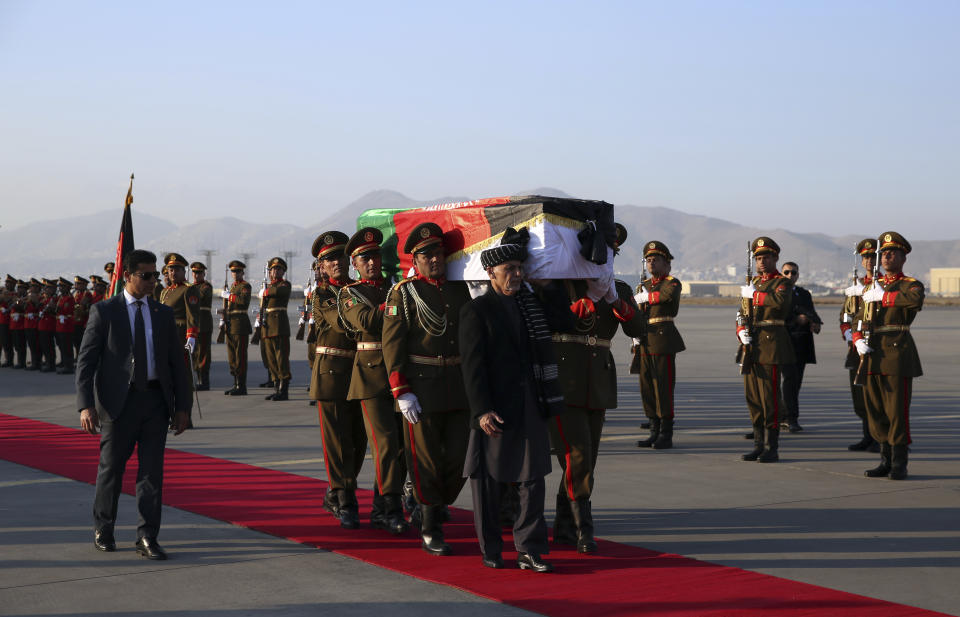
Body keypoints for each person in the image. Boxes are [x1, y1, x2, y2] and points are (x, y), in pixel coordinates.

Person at [460, 227, 575, 572]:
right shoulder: (477, 310)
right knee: (489, 482)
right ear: (491, 272)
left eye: (519, 268)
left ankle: (529, 549)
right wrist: (481, 410)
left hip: (531, 402)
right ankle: (491, 547)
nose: (517, 274)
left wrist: (546, 285)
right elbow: (473, 366)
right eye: (509, 268)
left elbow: (565, 320)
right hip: (494, 407)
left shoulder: (531, 305)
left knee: (532, 480)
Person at [76, 249, 192, 560]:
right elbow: (85, 364)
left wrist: (183, 408)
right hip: (118, 405)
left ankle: (147, 536)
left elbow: (176, 366)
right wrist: (85, 406)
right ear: (128, 276)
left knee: (152, 473)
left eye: (156, 275)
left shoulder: (162, 313)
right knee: (111, 470)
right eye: (146, 275)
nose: (154, 281)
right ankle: (104, 527)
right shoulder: (105, 311)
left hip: (155, 402)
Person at [549, 224, 644, 553]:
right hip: (567, 380)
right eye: (601, 253)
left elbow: (639, 327)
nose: (606, 259)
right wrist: (575, 306)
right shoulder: (564, 285)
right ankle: (582, 529)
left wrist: (616, 301)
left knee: (586, 458)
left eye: (611, 254)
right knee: (577, 456)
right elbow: (546, 321)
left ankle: (563, 527)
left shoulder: (617, 288)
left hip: (598, 383)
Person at [382, 222, 472, 556]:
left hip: (457, 387)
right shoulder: (403, 294)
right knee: (427, 462)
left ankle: (430, 504)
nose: (435, 259)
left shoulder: (459, 290)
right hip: (422, 388)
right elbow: (392, 344)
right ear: (415, 260)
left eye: (438, 253)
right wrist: (400, 389)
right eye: (426, 255)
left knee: (461, 458)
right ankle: (431, 528)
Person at [340, 227, 409, 535]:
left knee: (403, 445)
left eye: (376, 256)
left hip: (400, 371)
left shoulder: (393, 287)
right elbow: (366, 321)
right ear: (355, 263)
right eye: (365, 258)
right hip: (370, 376)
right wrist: (397, 300)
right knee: (385, 443)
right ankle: (391, 506)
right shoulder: (349, 293)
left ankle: (382, 505)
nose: (372, 262)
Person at [852, 231, 923, 480]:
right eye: (884, 253)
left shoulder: (910, 284)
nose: (886, 256)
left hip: (896, 353)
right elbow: (859, 319)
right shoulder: (872, 286)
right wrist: (857, 339)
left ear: (903, 257)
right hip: (871, 354)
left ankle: (899, 463)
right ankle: (885, 459)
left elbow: (915, 300)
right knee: (875, 410)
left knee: (896, 411)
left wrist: (885, 297)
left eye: (892, 252)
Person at [307, 231, 367, 528]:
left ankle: (336, 490)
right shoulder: (322, 295)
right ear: (321, 266)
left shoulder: (360, 289)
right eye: (329, 259)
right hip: (332, 373)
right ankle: (345, 497)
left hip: (360, 374)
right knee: (338, 441)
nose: (336, 262)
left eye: (341, 256)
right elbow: (343, 323)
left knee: (358, 439)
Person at [736, 236, 795, 463]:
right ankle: (759, 444)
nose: (761, 261)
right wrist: (740, 330)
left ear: (775, 258)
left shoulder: (782, 282)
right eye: (758, 258)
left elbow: (780, 302)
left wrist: (755, 296)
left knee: (769, 397)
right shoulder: (755, 284)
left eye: (766, 257)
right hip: (751, 343)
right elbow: (742, 312)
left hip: (771, 343)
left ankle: (772, 446)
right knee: (753, 396)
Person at [631, 239, 686, 450]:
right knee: (646, 387)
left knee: (663, 386)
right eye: (648, 260)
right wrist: (634, 333)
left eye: (656, 260)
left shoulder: (672, 282)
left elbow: (666, 296)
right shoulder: (643, 285)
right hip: (644, 340)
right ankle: (653, 430)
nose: (651, 263)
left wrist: (647, 296)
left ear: (667, 263)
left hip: (663, 339)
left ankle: (666, 433)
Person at [840, 238, 880, 452]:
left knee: (878, 397)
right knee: (860, 397)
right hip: (856, 348)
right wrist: (848, 334)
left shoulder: (884, 284)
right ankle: (867, 435)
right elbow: (846, 315)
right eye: (866, 257)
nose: (869, 261)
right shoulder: (856, 288)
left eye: (873, 256)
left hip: (877, 348)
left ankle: (881, 438)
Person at [779, 262, 822, 433]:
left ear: (798, 275)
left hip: (801, 343)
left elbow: (812, 312)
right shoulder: (778, 293)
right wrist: (795, 320)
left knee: (795, 383)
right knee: (787, 382)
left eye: (793, 273)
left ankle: (787, 417)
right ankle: (789, 418)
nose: (790, 275)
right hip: (783, 341)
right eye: (786, 272)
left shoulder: (803, 294)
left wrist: (815, 323)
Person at [260, 257, 292, 401]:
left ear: (283, 271)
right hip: (267, 327)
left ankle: (283, 390)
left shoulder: (285, 285)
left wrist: (265, 292)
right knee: (271, 360)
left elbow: (279, 292)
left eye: (278, 269)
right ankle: (276, 387)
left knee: (281, 359)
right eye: (273, 269)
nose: (275, 271)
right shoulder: (268, 286)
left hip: (279, 327)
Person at [222, 260, 252, 396]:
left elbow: (243, 301)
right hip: (230, 324)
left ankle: (242, 385)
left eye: (237, 271)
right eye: (233, 272)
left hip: (240, 324)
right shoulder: (232, 287)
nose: (235, 274)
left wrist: (230, 296)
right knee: (232, 356)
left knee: (240, 356)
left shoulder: (245, 286)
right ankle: (235, 383)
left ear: (242, 272)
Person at [190, 262, 214, 390]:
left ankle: (204, 381)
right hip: (193, 323)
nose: (196, 275)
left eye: (199, 273)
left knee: (203, 353)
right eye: (194, 272)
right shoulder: (191, 287)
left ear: (204, 274)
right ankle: (198, 379)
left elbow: (199, 296)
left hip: (204, 324)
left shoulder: (206, 287)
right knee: (194, 353)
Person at [55, 277, 76, 374]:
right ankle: (64, 363)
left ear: (67, 288)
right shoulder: (61, 298)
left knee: (67, 346)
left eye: (63, 287)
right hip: (60, 325)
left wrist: (58, 309)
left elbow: (67, 310)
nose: (60, 289)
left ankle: (69, 366)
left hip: (67, 326)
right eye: (60, 287)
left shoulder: (70, 299)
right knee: (62, 345)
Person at [0, 274, 16, 367]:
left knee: (8, 342)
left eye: (9, 283)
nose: (6, 284)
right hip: (2, 320)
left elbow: (5, 299)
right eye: (6, 283)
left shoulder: (14, 294)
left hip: (8, 321)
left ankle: (9, 360)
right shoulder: (3, 292)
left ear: (13, 284)